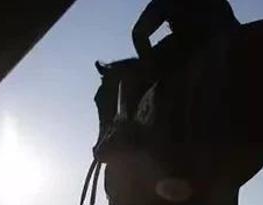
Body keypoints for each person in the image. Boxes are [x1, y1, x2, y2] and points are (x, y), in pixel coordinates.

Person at [95, 0, 239, 159]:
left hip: (194, 44)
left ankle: (124, 134)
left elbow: (139, 33)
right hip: (230, 36)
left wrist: (151, 70)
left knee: (136, 77)